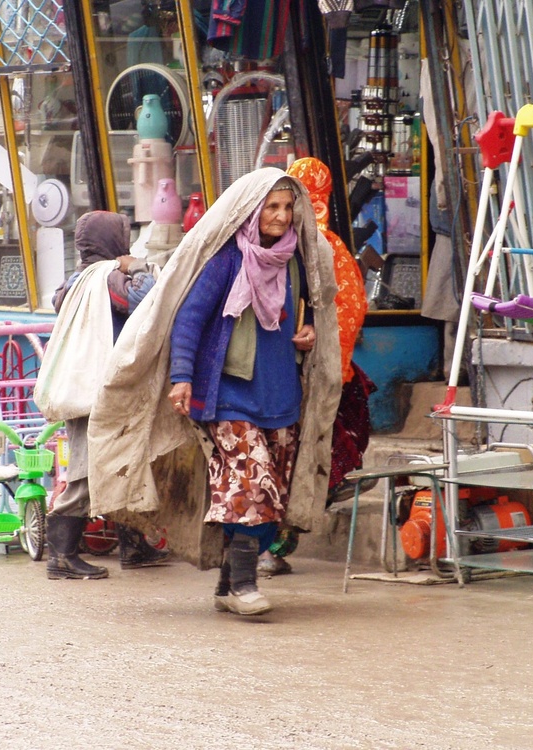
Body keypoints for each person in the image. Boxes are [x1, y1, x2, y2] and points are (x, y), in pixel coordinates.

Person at [85, 167, 341, 617]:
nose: (281, 217)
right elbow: (189, 320)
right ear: (251, 211)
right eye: (271, 208)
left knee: (273, 495)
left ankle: (226, 583)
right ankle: (244, 585)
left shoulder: (298, 260)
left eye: (287, 208)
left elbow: (313, 313)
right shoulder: (226, 261)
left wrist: (310, 330)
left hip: (281, 398)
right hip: (227, 397)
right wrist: (182, 378)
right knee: (251, 485)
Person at [258, 157, 377, 577]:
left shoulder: (278, 245)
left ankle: (266, 545)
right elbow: (352, 309)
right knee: (303, 456)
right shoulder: (328, 248)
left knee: (281, 456)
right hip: (315, 373)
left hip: (279, 373)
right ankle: (272, 545)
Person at [39, 210, 170, 579]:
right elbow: (147, 299)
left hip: (87, 389)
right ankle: (61, 557)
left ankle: (134, 546)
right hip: (97, 394)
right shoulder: (107, 278)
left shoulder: (75, 281)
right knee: (85, 473)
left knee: (123, 464)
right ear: (114, 241)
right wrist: (139, 266)